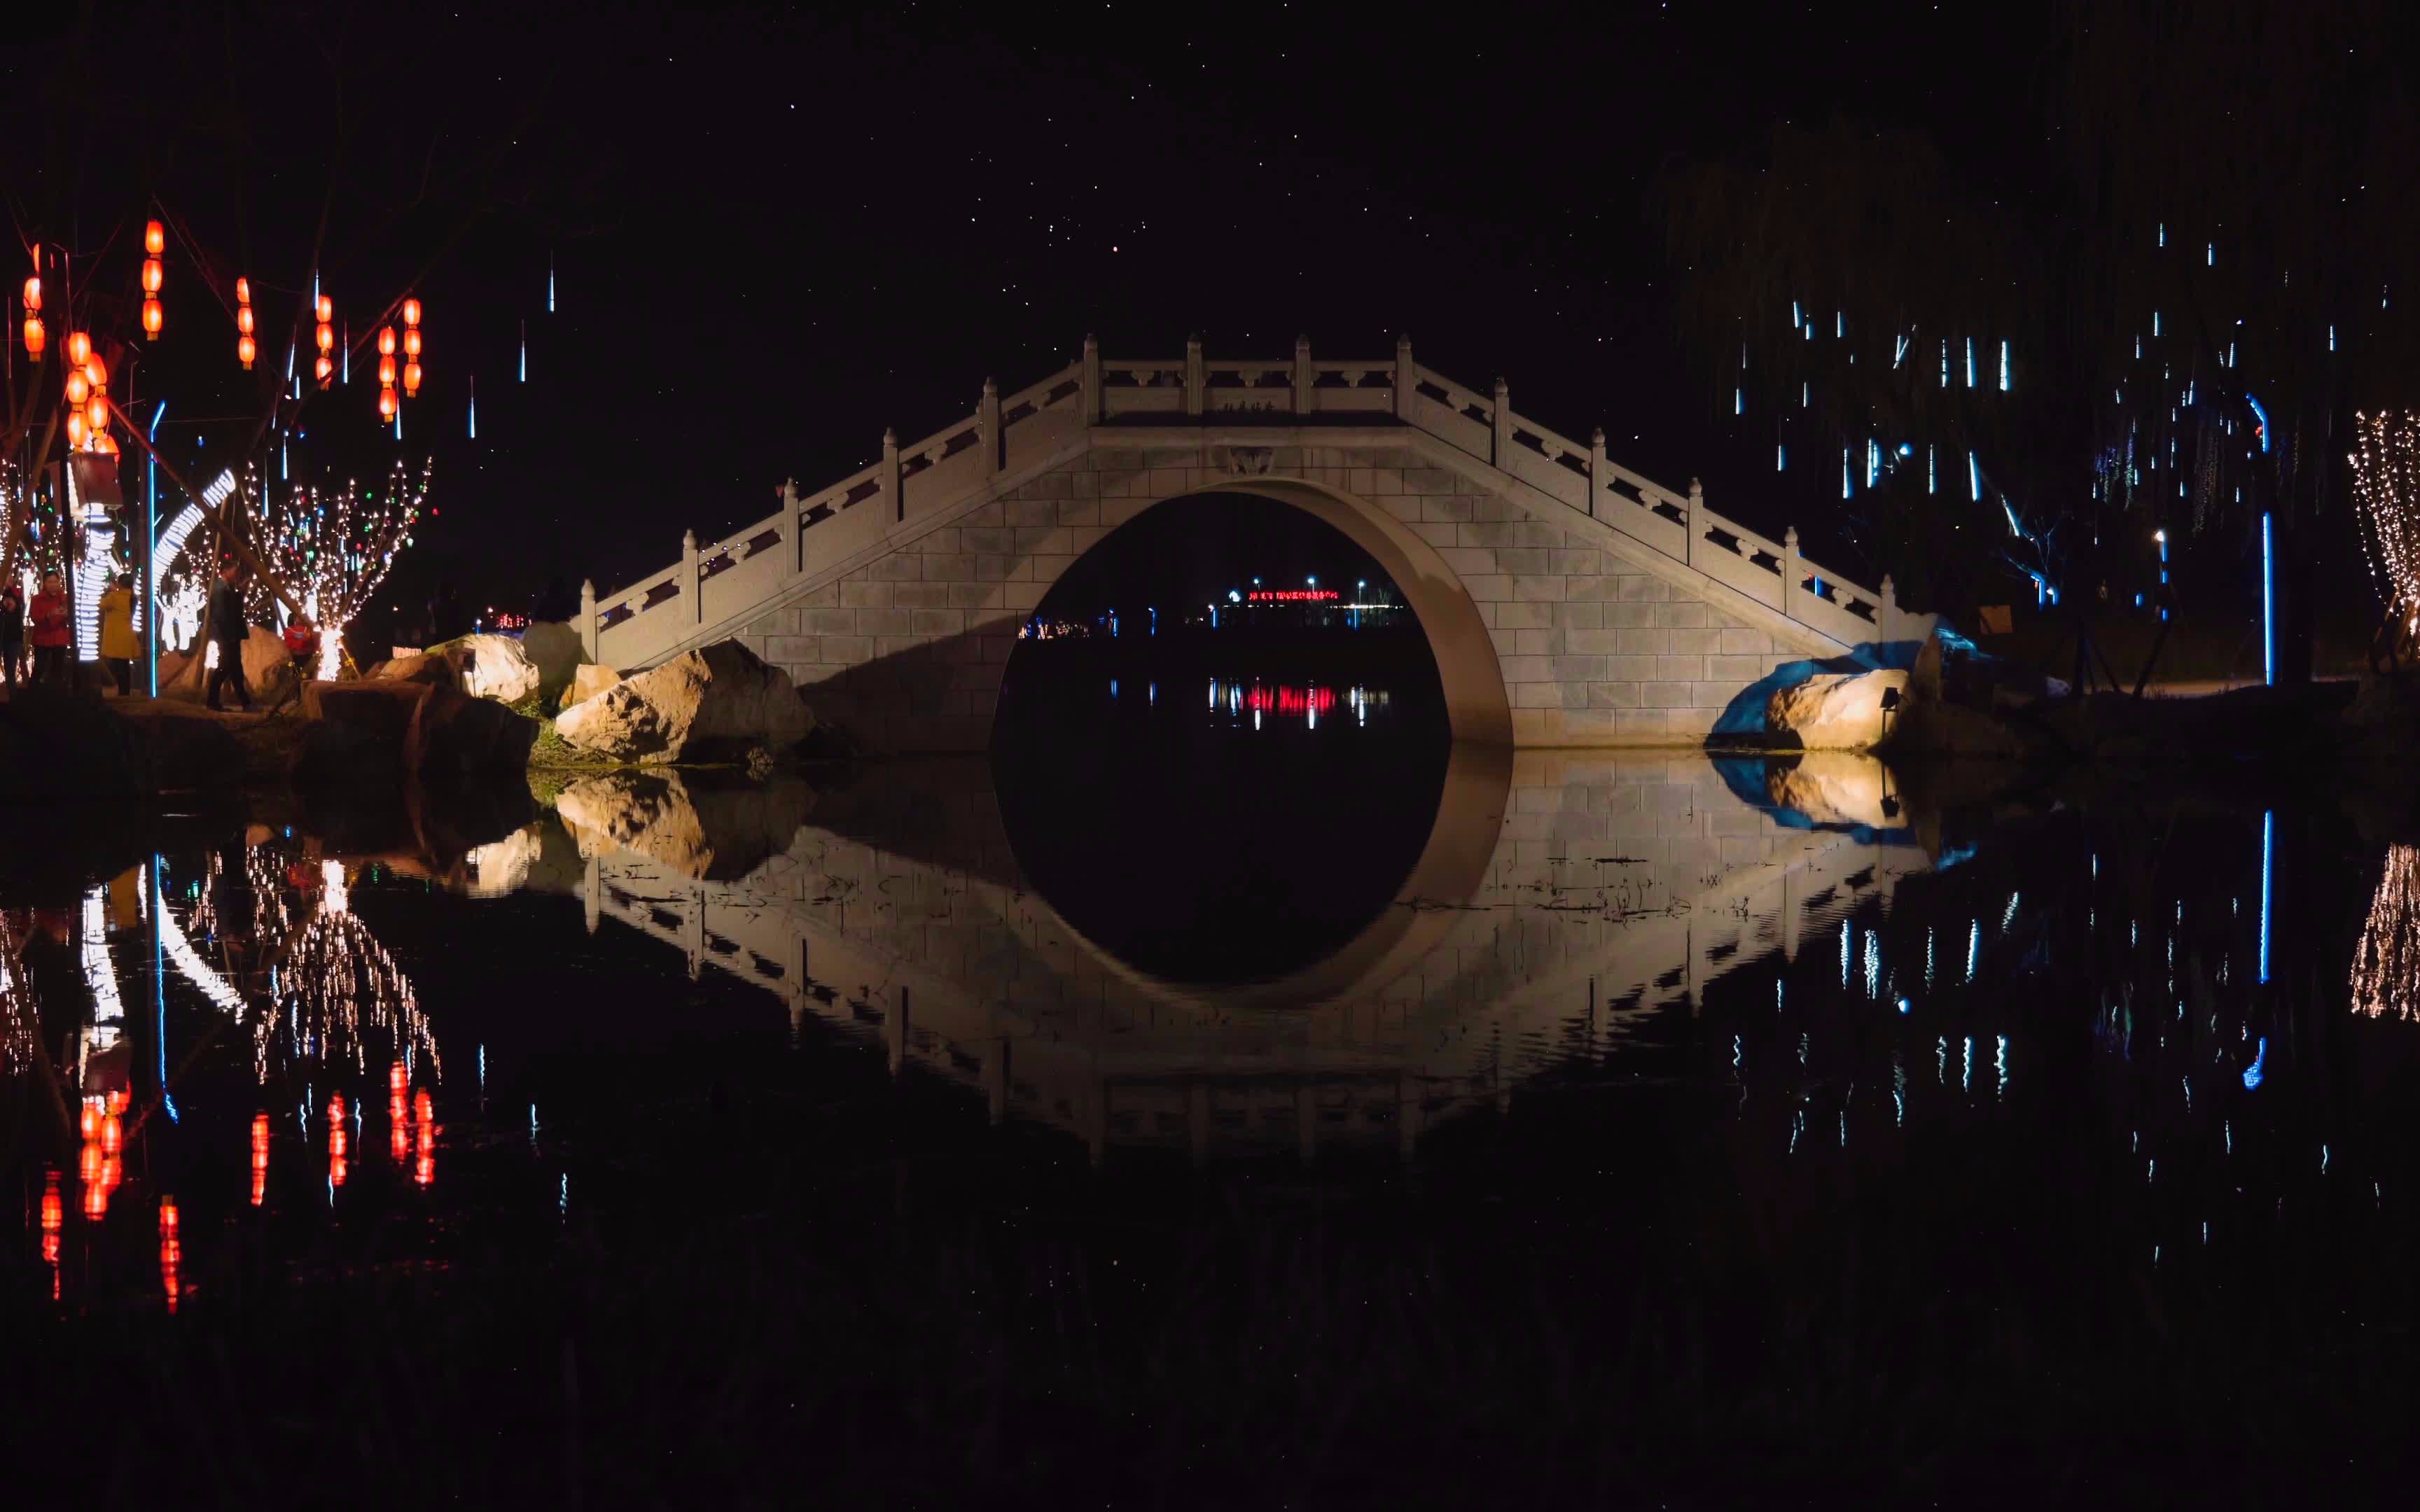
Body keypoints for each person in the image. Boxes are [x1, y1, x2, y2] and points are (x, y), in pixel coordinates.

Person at [205, 564, 253, 712]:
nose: (237, 574)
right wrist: (229, 636)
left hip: (230, 635)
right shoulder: (220, 589)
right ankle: (213, 701)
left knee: (234, 668)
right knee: (227, 667)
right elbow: (222, 616)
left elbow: (233, 609)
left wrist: (241, 593)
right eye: (235, 570)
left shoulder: (228, 588)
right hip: (226, 636)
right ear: (225, 571)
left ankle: (245, 702)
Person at [265, 612, 317, 715]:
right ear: (294, 618)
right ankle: (298, 698)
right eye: (298, 617)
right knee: (298, 676)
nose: (300, 619)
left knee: (308, 678)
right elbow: (294, 641)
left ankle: (305, 698)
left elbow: (308, 640)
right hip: (296, 657)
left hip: (308, 656)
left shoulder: (310, 629)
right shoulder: (290, 631)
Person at [28, 571, 71, 688]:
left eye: (55, 582)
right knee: (39, 668)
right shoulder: (37, 599)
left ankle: (56, 698)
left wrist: (68, 615)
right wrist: (48, 615)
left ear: (59, 582)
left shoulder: (65, 598)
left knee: (58, 670)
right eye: (49, 582)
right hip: (43, 638)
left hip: (60, 638)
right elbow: (34, 617)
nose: (53, 585)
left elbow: (71, 619)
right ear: (45, 583)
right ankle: (33, 696)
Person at [98, 573, 137, 697]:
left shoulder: (114, 597)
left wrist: (111, 591)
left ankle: (122, 694)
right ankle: (125, 693)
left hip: (116, 638)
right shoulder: (133, 597)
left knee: (118, 668)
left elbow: (101, 604)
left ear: (120, 583)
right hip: (127, 636)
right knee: (124, 667)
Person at [0, 575, 22, 692]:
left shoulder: (12, 595)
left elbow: (10, 607)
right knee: (10, 672)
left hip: (12, 638)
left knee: (10, 671)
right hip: (10, 637)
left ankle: (12, 699)